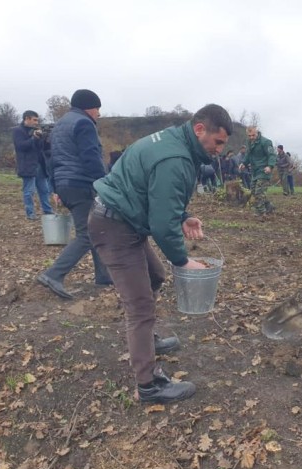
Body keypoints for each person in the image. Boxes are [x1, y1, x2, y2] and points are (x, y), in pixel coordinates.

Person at [88, 104, 233, 404]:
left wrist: (184, 215)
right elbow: (162, 224)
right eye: (217, 142)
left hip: (126, 219)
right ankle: (149, 384)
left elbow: (157, 194)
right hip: (115, 226)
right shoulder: (175, 158)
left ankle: (148, 341)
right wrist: (184, 260)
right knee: (140, 307)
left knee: (155, 276)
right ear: (199, 130)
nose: (219, 149)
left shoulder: (172, 139)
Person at [36, 89, 111, 299]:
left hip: (65, 184)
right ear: (91, 107)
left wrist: (55, 187)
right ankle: (53, 274)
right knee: (87, 234)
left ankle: (104, 277)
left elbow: (48, 159)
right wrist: (104, 184)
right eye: (98, 109)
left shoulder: (59, 126)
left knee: (96, 230)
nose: (98, 114)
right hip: (81, 185)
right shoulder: (84, 123)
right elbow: (91, 156)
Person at [12, 110, 55, 220]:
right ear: (27, 119)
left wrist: (46, 139)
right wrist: (33, 138)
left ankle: (48, 211)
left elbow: (43, 148)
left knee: (44, 190)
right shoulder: (18, 131)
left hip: (40, 164)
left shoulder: (37, 131)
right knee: (29, 191)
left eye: (37, 120)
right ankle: (30, 214)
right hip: (27, 165)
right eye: (34, 120)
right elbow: (21, 146)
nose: (36, 122)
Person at [240, 126, 276, 217]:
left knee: (259, 192)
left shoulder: (266, 142)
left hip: (264, 170)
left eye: (253, 135)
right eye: (249, 136)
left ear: (257, 132)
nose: (251, 137)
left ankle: (261, 212)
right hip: (255, 171)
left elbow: (272, 155)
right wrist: (244, 163)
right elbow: (248, 154)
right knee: (254, 191)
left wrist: (270, 166)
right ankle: (269, 206)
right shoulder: (250, 143)